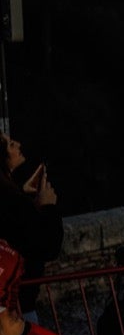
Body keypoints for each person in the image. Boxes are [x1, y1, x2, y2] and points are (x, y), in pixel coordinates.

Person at [0, 131, 61, 317]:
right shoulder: (9, 199)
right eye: (10, 145)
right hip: (17, 307)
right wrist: (48, 207)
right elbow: (48, 245)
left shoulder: (10, 194)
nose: (18, 145)